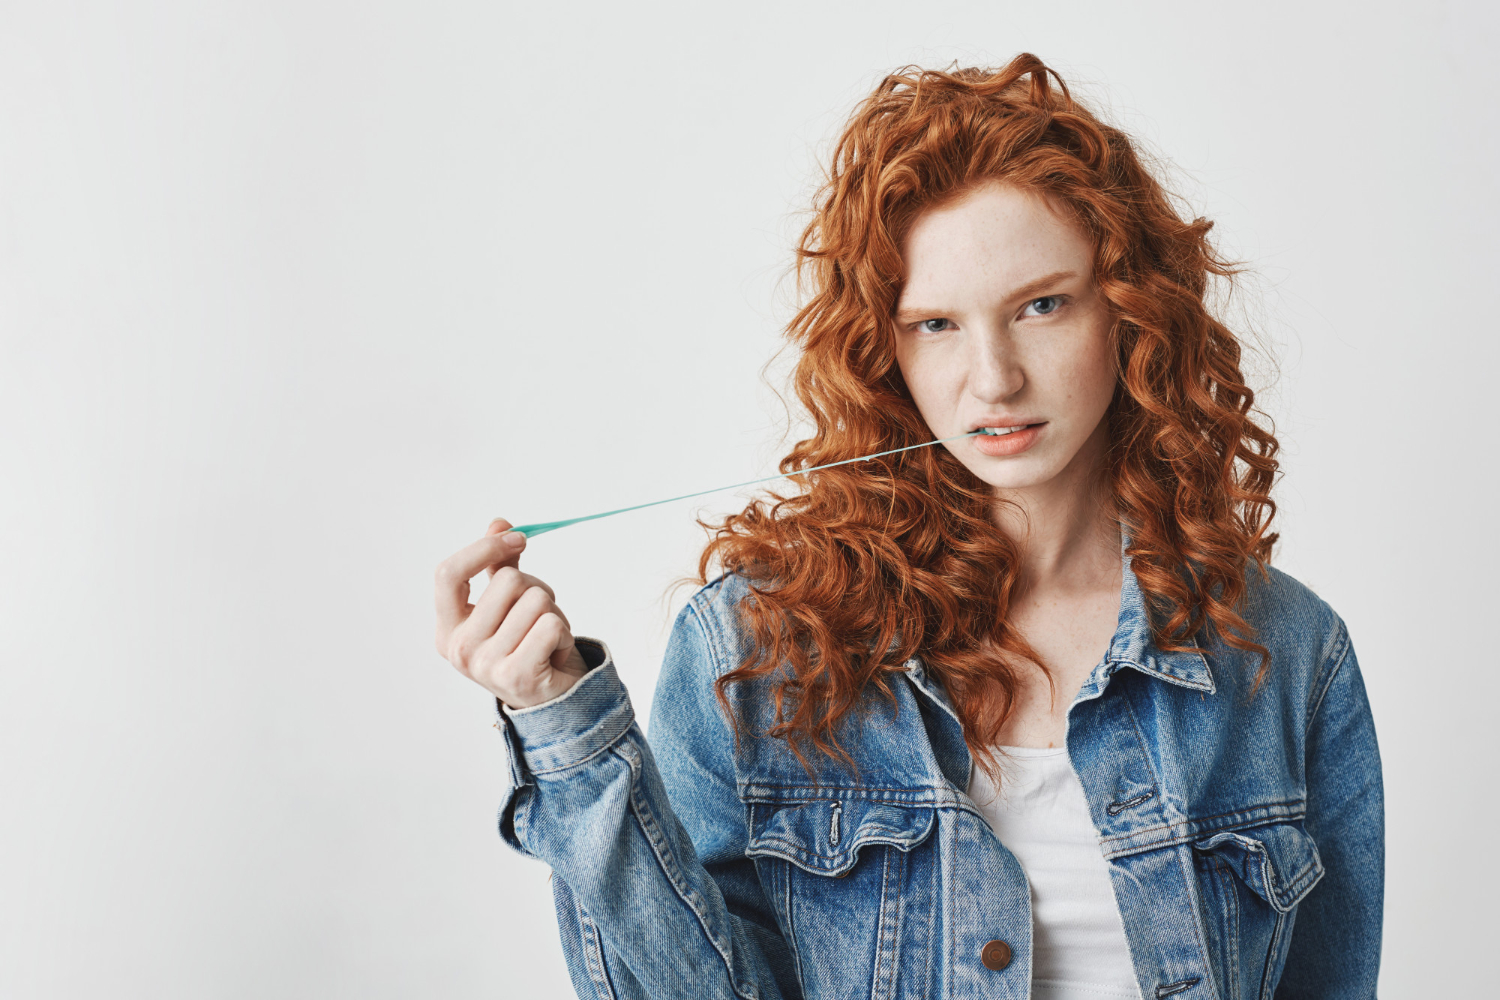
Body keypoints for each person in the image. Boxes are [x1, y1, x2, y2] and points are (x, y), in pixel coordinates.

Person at [433, 54, 1383, 1000]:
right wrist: (563, 725)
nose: (994, 377)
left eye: (1041, 306)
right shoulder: (757, 651)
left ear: (1131, 313)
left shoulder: (1289, 656)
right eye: (936, 325)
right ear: (882, 348)